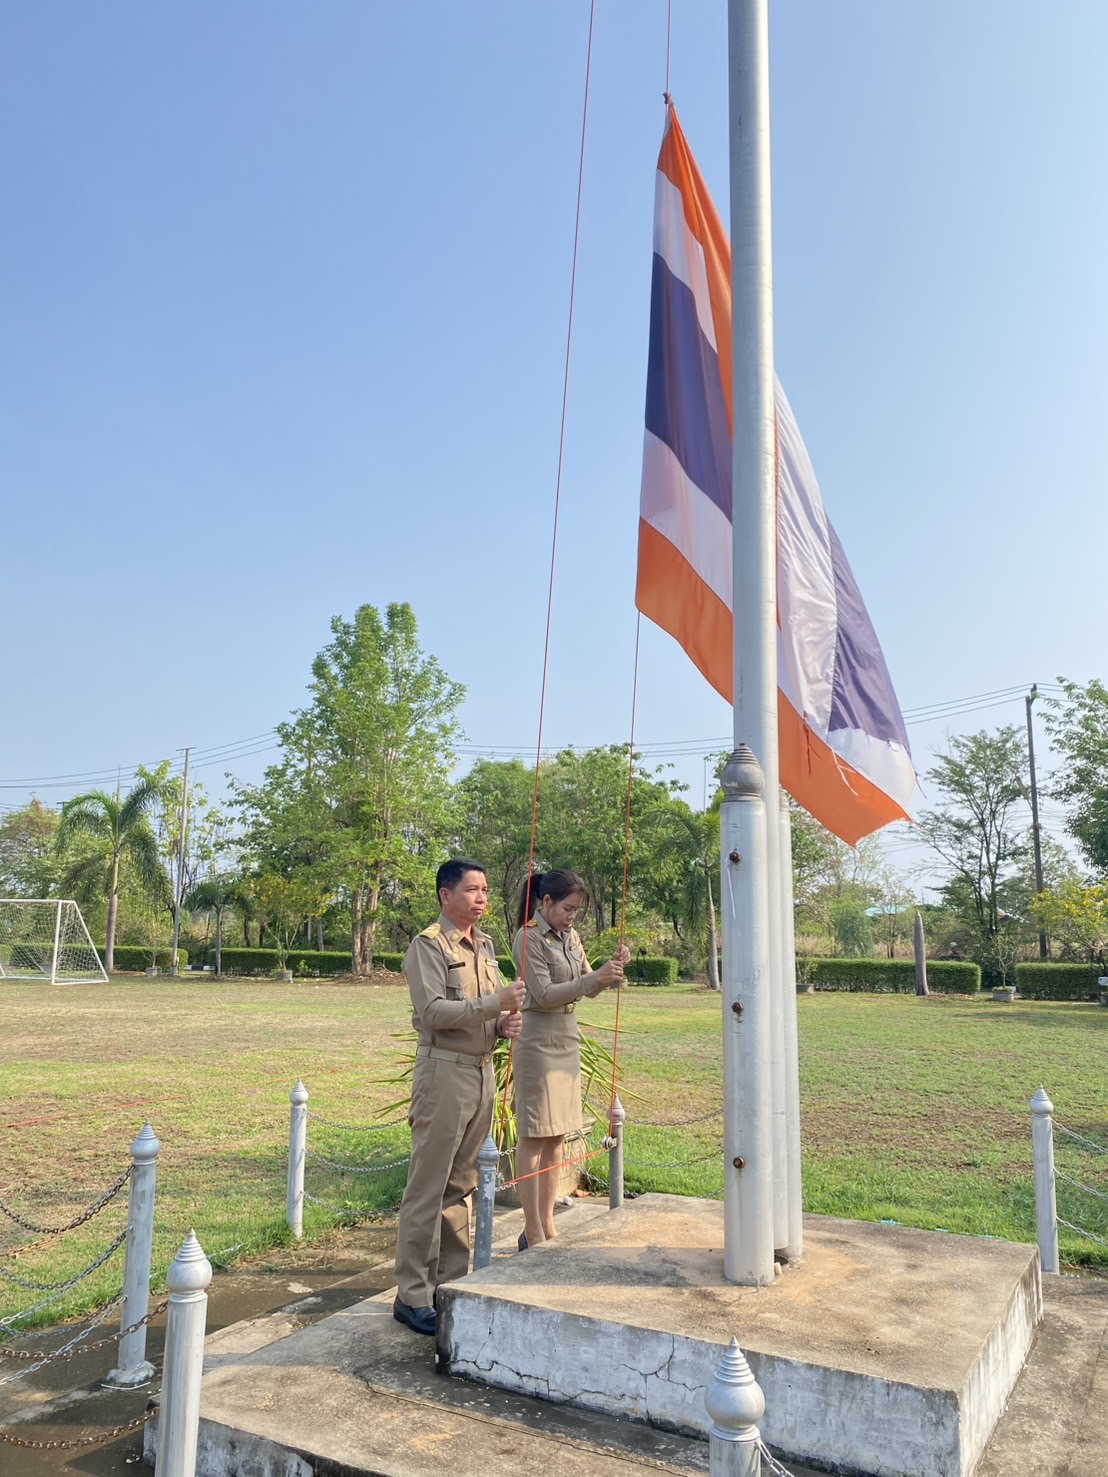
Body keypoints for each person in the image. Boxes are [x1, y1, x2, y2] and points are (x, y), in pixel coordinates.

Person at [393, 859, 526, 1336]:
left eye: (485, 889)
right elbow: (432, 1011)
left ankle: (449, 1286)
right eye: (472, 889)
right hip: (444, 1073)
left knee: (460, 1187)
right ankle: (412, 1294)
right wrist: (495, 1004)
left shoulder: (484, 946)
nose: (482, 897)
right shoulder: (428, 946)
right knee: (428, 1187)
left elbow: (484, 1011)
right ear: (445, 895)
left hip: (481, 1071)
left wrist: (503, 1024)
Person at [511, 869, 629, 1250]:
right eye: (567, 908)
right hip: (537, 1038)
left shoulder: (571, 937)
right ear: (546, 902)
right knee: (534, 1135)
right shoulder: (528, 937)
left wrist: (610, 972)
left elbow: (587, 987)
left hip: (566, 1036)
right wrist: (594, 979)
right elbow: (544, 993)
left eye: (576, 910)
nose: (572, 916)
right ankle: (531, 1229)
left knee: (557, 1134)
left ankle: (548, 1223)